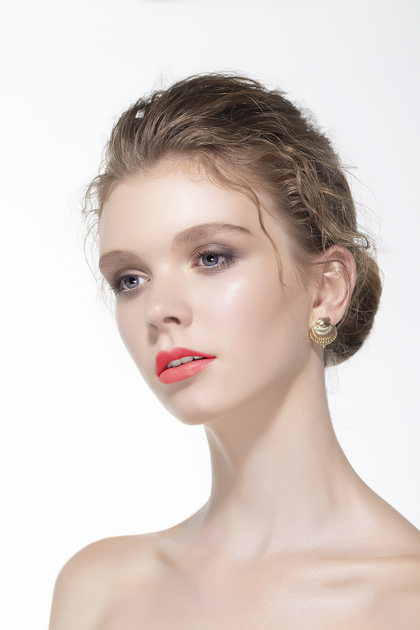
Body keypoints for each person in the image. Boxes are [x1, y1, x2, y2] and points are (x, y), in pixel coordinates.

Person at [48, 74, 420, 629]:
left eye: (211, 257)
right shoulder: (99, 593)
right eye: (131, 279)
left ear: (327, 289)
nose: (158, 309)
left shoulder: (405, 601)